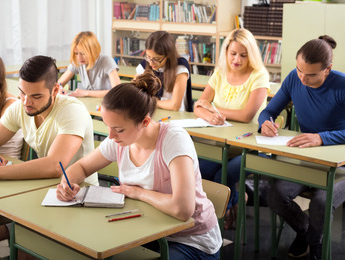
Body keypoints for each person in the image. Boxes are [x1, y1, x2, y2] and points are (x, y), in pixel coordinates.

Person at [56, 71, 222, 259]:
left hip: (191, 239)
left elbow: (183, 210)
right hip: (145, 230)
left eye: (118, 129)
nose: (110, 135)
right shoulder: (119, 140)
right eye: (108, 126)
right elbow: (81, 168)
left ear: (144, 122)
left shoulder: (174, 140)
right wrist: (66, 184)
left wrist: (139, 193)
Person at [0, 55, 97, 259]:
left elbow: (54, 166)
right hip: (40, 193)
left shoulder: (72, 111)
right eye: (22, 93)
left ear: (56, 90)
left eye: (36, 96)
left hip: (77, 199)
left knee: (27, 248)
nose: (27, 101)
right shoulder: (20, 107)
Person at [261, 35, 345, 260]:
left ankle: (315, 246)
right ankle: (306, 231)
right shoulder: (293, 78)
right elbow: (268, 111)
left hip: (341, 165)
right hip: (308, 159)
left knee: (320, 202)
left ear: (328, 69)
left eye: (311, 74)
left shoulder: (342, 84)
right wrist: (265, 123)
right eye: (299, 70)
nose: (303, 78)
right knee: (276, 195)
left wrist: (322, 138)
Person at [194, 28, 270, 229]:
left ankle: (226, 207)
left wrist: (216, 110)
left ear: (251, 55)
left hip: (251, 146)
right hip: (222, 144)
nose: (237, 59)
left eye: (243, 55)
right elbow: (199, 104)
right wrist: (209, 114)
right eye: (233, 54)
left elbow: (247, 116)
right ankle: (233, 201)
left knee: (222, 176)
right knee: (199, 169)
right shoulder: (220, 73)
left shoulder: (259, 76)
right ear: (226, 53)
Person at [136, 30, 193, 112]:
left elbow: (175, 105)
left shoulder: (180, 67)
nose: (151, 62)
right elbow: (134, 93)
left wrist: (150, 101)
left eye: (157, 59)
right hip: (152, 113)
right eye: (148, 56)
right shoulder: (146, 64)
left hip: (176, 117)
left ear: (168, 55)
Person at [58, 31, 121, 97]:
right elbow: (59, 84)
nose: (79, 57)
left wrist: (86, 93)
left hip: (108, 103)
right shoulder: (78, 61)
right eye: (76, 53)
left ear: (92, 51)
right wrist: (59, 89)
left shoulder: (106, 61)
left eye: (82, 53)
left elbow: (117, 91)